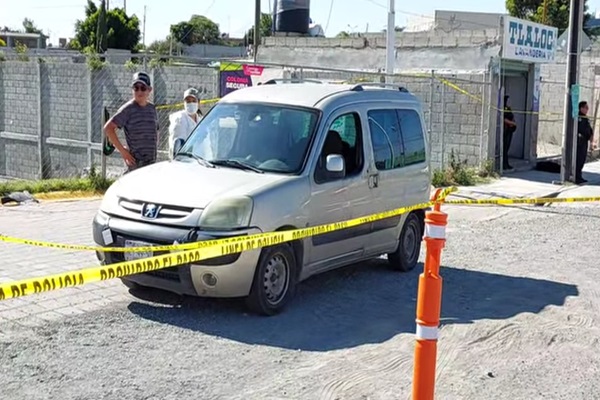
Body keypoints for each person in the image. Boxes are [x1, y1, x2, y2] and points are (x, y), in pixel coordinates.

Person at [104, 71, 159, 173]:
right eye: (136, 88)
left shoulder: (152, 109)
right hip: (136, 163)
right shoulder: (128, 109)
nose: (139, 92)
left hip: (151, 162)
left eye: (143, 88)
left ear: (149, 90)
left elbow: (156, 131)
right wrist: (123, 152)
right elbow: (108, 128)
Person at [168, 87, 202, 158]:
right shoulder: (180, 118)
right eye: (188, 101)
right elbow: (177, 144)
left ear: (198, 103)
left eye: (193, 101)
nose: (191, 103)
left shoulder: (200, 120)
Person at [576, 101, 594, 184]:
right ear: (581, 108)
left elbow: (589, 129)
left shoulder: (585, 118)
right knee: (578, 160)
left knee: (582, 160)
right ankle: (576, 177)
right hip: (579, 143)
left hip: (584, 143)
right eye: (586, 108)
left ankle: (579, 176)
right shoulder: (578, 117)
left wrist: (591, 137)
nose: (587, 109)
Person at [503, 95, 517, 170]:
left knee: (507, 148)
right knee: (504, 148)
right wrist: (512, 123)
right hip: (505, 131)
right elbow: (504, 119)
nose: (509, 102)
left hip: (510, 131)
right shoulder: (504, 109)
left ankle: (507, 164)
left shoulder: (509, 109)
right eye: (508, 101)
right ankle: (504, 165)